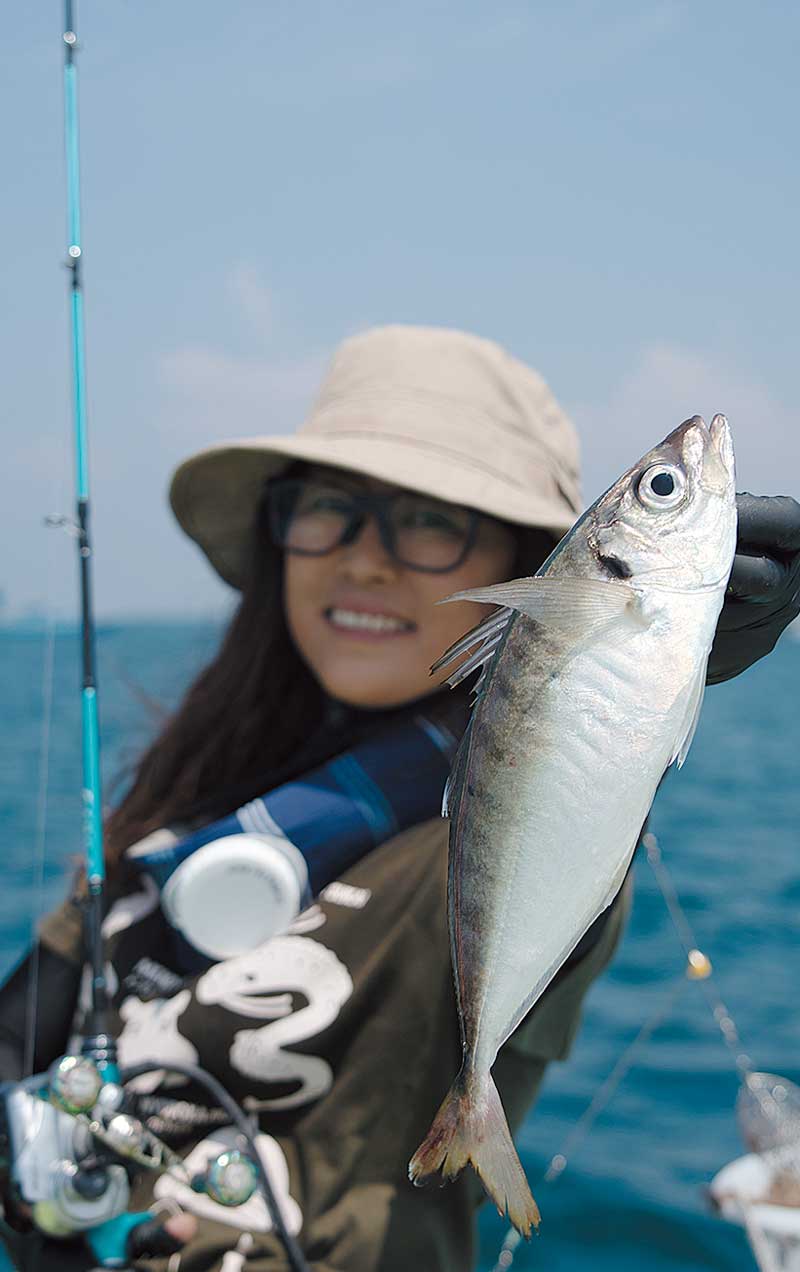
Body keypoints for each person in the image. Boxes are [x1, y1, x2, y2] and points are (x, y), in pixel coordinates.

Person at [1, 325, 798, 1272]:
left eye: (430, 520)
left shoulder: (445, 838)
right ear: (277, 538)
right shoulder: (190, 807)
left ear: (524, 568)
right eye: (327, 508)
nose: (367, 559)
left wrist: (664, 665)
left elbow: (567, 846)